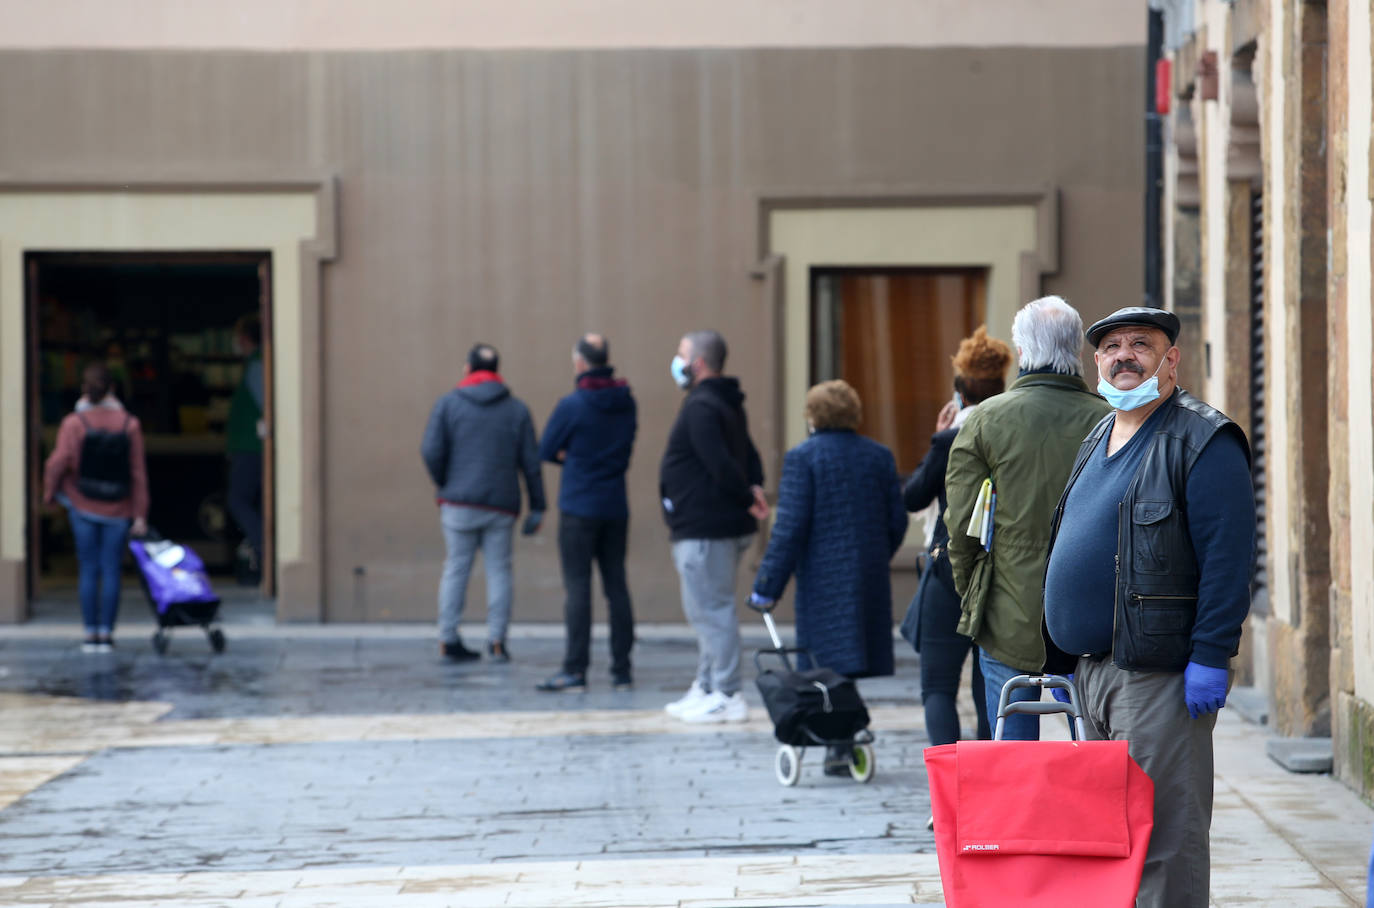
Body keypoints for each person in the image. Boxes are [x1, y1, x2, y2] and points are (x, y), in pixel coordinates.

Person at [1042, 306, 1255, 908]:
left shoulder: (1203, 438)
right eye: (1110, 346)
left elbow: (1228, 556)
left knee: (1165, 840)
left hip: (1156, 675)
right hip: (1093, 671)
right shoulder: (1099, 433)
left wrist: (1212, 653)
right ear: (1096, 361)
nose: (1124, 355)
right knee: (1113, 839)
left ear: (1172, 358)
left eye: (1141, 343)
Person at [944, 297, 1110, 740]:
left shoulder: (984, 421)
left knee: (1012, 751)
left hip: (1008, 610)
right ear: (1077, 351)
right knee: (1094, 746)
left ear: (1022, 351)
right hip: (1094, 614)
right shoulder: (1112, 421)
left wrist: (973, 594)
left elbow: (960, 528)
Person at [749, 380, 906, 771]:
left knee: (824, 661)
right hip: (866, 576)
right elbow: (896, 519)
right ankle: (845, 734)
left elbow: (789, 528)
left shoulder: (804, 458)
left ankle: (838, 739)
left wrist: (766, 587)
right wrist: (874, 555)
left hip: (822, 580)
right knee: (846, 659)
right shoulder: (879, 455)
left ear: (813, 416)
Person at [904, 327, 1013, 749]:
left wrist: (936, 441)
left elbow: (913, 495)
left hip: (948, 570)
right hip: (998, 572)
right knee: (989, 687)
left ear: (960, 392)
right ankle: (988, 788)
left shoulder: (950, 438)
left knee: (937, 686)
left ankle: (948, 794)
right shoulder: (1010, 436)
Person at [659, 329, 769, 723]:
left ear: (698, 363)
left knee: (712, 612)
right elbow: (747, 454)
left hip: (707, 529)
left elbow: (720, 463)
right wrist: (753, 490)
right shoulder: (723, 401)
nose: (677, 361)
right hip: (711, 526)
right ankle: (706, 685)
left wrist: (745, 494)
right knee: (705, 611)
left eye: (681, 354)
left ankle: (726, 692)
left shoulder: (703, 406)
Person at [421, 343, 546, 663]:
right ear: (497, 371)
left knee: (456, 569)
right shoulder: (516, 409)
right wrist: (538, 505)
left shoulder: (448, 404)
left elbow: (431, 450)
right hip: (501, 503)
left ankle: (448, 639)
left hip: (458, 502)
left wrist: (445, 482)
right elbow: (530, 463)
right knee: (499, 571)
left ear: (467, 369)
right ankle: (497, 641)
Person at [535, 334, 638, 692]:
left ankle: (575, 670)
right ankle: (622, 670)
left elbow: (546, 448)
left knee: (578, 587)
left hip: (579, 505)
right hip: (615, 505)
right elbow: (624, 450)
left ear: (580, 362)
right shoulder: (627, 403)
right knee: (617, 586)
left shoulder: (573, 405)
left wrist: (575, 457)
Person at [42, 363, 150, 652]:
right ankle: (107, 634)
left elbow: (56, 463)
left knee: (88, 568)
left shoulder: (73, 423)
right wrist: (140, 513)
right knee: (111, 569)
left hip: (83, 503)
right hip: (119, 508)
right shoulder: (130, 423)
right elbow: (138, 472)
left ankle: (90, 633)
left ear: (84, 390)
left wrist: (50, 493)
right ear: (113, 389)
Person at [226, 313, 265, 580]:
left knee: (238, 500)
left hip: (251, 448)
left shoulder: (257, 366)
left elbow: (266, 406)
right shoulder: (255, 364)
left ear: (244, 338)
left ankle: (263, 549)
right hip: (249, 446)